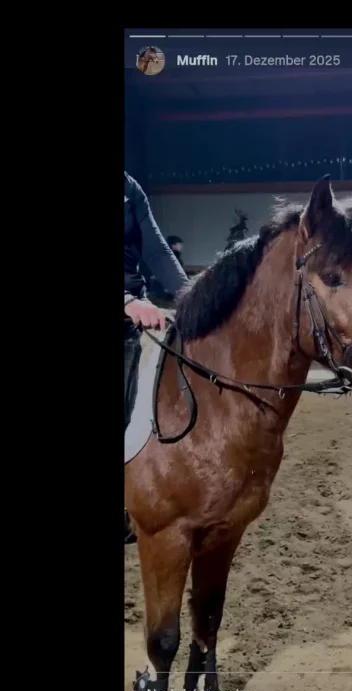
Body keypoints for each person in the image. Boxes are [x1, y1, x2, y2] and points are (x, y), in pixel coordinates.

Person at [125, 171, 190, 544]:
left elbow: (155, 249)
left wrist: (189, 296)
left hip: (138, 303)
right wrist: (126, 302)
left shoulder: (130, 188)